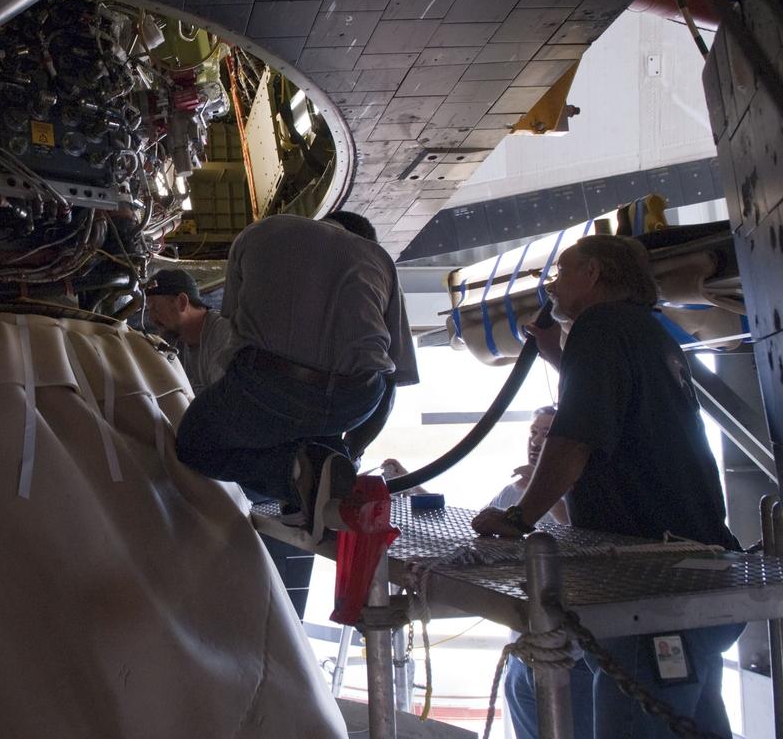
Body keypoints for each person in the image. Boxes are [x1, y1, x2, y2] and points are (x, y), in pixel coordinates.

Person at [471, 234, 741, 738]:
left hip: (653, 591)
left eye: (562, 271)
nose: (551, 284)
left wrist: (518, 517)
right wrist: (561, 359)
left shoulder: (599, 327)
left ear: (593, 274)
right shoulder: (644, 331)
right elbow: (622, 409)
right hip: (701, 575)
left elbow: (574, 439)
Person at [176, 211, 418, 543]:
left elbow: (233, 323)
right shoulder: (379, 259)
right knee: (319, 432)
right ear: (363, 238)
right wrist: (353, 451)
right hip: (355, 399)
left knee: (193, 444)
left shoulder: (260, 232)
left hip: (272, 384)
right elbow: (393, 376)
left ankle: (295, 474)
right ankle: (313, 473)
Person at [491, 407, 591, 739]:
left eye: (547, 434)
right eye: (533, 432)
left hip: (573, 656)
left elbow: (584, 537)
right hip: (524, 651)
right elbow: (476, 530)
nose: (536, 441)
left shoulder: (585, 495)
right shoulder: (512, 494)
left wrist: (541, 489)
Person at [144, 268, 239, 395]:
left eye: (155, 308)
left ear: (182, 302)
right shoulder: (174, 341)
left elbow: (225, 401)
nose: (151, 318)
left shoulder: (223, 334)